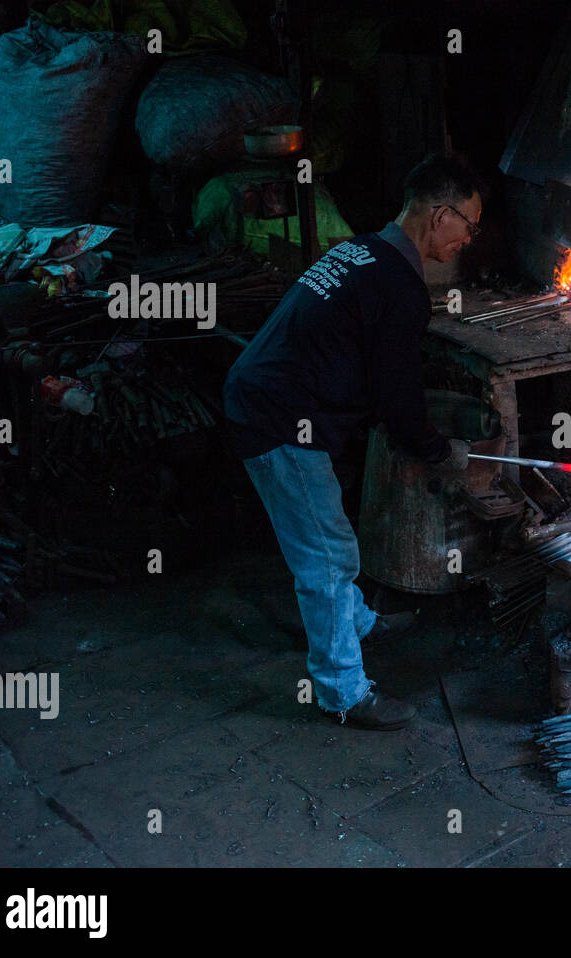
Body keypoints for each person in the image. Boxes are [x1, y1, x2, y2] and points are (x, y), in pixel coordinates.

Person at [223, 154, 482, 730]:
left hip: (264, 394)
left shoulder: (360, 251)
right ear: (441, 215)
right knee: (326, 556)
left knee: (328, 540)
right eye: (469, 223)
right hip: (278, 418)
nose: (470, 237)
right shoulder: (401, 286)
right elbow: (398, 396)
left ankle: (359, 622)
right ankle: (343, 691)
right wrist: (439, 451)